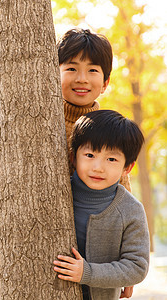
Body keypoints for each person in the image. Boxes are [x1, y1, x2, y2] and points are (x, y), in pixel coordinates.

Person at [53, 110, 150, 300]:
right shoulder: (54, 193)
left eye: (111, 159)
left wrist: (87, 273)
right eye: (89, 155)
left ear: (127, 168)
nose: (98, 167)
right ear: (73, 157)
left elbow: (136, 267)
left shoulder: (130, 210)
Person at [57, 28, 132, 192]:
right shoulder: (38, 121)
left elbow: (123, 193)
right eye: (71, 69)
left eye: (92, 70)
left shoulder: (109, 130)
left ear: (105, 83)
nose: (82, 79)